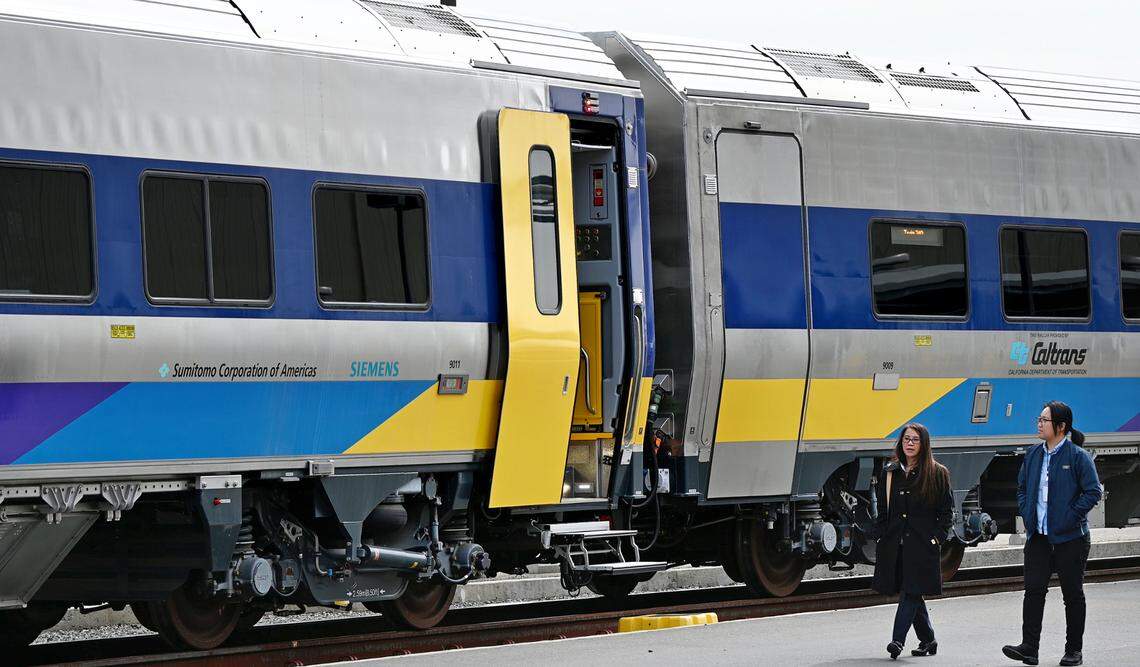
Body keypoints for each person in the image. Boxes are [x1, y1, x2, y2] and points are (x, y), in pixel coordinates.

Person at [1003, 401, 1102, 667]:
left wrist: (1070, 517)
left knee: (1072, 595)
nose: (1039, 423)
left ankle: (1074, 650)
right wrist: (1028, 514)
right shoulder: (1033, 454)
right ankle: (1029, 647)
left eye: (1044, 420)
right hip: (1038, 537)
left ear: (1060, 426)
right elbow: (1022, 488)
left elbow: (1093, 492)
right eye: (1039, 419)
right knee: (1033, 591)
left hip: (1071, 538)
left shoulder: (1077, 456)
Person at [871, 422, 953, 660]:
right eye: (906, 439)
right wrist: (880, 534)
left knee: (909, 592)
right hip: (896, 544)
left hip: (923, 545)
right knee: (912, 591)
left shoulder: (937, 473)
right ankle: (928, 639)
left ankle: (897, 641)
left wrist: (937, 539)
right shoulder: (890, 473)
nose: (909, 443)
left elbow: (946, 513)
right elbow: (884, 510)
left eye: (915, 440)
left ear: (924, 444)